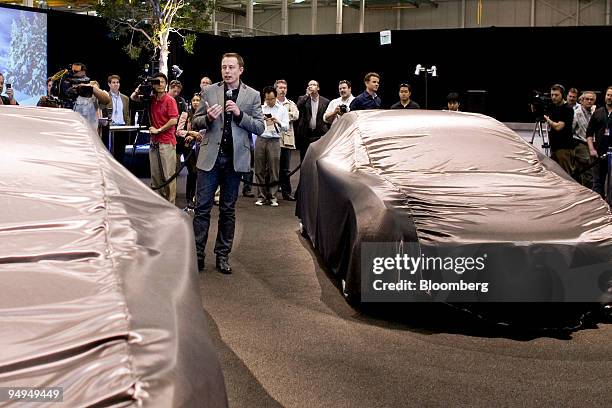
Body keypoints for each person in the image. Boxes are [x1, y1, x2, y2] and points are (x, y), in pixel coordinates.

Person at [191, 52, 265, 274]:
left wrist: (240, 114)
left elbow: (260, 127)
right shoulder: (209, 91)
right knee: (202, 208)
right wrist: (209, 119)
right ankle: (197, 255)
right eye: (224, 67)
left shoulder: (252, 95)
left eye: (231, 67)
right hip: (210, 158)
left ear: (240, 70)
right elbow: (196, 121)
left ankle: (222, 255)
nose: (227, 71)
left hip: (235, 160)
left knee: (227, 210)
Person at [130, 72, 179, 203]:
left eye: (163, 82)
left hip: (167, 142)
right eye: (157, 82)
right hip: (154, 142)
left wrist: (159, 130)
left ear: (166, 84)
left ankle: (171, 203)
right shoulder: (151, 99)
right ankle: (159, 203)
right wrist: (140, 87)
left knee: (168, 175)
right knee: (155, 176)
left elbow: (174, 120)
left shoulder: (170, 100)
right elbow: (133, 97)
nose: (160, 84)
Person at [254, 86, 288, 207]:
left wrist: (278, 121)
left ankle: (273, 197)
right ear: (265, 98)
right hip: (261, 138)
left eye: (272, 99)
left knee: (274, 169)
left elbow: (286, 127)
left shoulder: (282, 109)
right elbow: (254, 123)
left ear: (276, 96)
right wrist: (260, 120)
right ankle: (261, 196)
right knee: (259, 169)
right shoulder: (260, 108)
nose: (270, 101)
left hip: (274, 140)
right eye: (268, 99)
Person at [176, 93, 203, 210]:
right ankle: (189, 198)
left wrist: (197, 135)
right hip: (188, 147)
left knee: (201, 173)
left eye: (198, 100)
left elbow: (208, 130)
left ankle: (200, 198)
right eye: (194, 100)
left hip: (202, 147)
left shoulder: (205, 114)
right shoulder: (185, 114)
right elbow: (178, 131)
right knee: (193, 172)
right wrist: (190, 133)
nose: (196, 102)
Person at [586, 86, 612, 203]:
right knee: (597, 183)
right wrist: (592, 149)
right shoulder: (598, 113)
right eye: (608, 95)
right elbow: (589, 133)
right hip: (599, 154)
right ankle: (597, 208)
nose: (610, 98)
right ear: (605, 96)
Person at [275, 79, 300, 200]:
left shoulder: (290, 103)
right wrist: (284, 116)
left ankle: (286, 192)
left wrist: (282, 116)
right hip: (273, 138)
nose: (283, 90)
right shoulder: (271, 102)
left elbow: (296, 114)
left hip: (286, 140)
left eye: (284, 88)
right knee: (272, 167)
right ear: (276, 89)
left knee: (285, 168)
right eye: (280, 87)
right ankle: (270, 192)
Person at [296, 80, 330, 162]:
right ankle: (304, 175)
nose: (311, 86)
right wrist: (307, 95)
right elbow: (298, 107)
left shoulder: (325, 101)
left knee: (318, 159)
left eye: (313, 85)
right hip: (305, 133)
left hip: (319, 133)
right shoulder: (303, 98)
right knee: (304, 159)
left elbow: (327, 118)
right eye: (309, 85)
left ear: (318, 88)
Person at [544, 84, 574, 175]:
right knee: (555, 175)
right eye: (552, 95)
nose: (553, 97)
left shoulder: (567, 109)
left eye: (556, 95)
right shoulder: (554, 107)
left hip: (564, 148)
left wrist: (548, 121)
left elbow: (558, 127)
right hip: (554, 147)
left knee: (566, 175)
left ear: (563, 95)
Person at [571, 90, 596, 188]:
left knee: (588, 171)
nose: (589, 101)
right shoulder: (576, 113)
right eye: (587, 99)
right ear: (582, 100)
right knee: (587, 171)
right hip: (580, 144)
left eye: (591, 99)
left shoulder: (595, 113)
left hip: (593, 144)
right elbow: (571, 130)